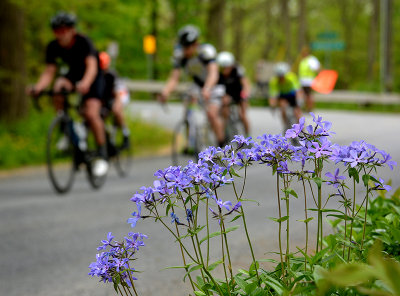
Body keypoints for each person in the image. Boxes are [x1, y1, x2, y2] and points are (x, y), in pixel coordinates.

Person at [29, 12, 108, 177]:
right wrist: (38, 87)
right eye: (57, 31)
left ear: (72, 30)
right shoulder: (53, 46)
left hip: (92, 78)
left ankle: (102, 153)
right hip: (74, 75)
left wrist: (85, 84)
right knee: (58, 86)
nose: (61, 34)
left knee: (91, 113)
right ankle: (65, 125)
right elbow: (49, 72)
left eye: (64, 30)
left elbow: (92, 66)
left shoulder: (83, 42)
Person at [158, 24, 226, 148]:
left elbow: (213, 73)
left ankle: (221, 143)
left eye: (188, 47)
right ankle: (191, 142)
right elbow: (174, 78)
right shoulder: (180, 55)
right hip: (197, 85)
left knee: (212, 114)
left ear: (196, 44)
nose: (186, 50)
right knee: (188, 107)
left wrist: (207, 88)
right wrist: (165, 92)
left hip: (215, 85)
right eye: (184, 47)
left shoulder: (206, 51)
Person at [99, 51, 130, 149]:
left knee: (116, 110)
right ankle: (109, 138)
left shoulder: (111, 75)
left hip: (120, 95)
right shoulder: (97, 75)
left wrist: (117, 104)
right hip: (107, 98)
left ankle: (126, 134)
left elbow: (118, 94)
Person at [216, 51, 251, 137]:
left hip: (239, 93)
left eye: (227, 67)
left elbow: (245, 83)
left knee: (242, 115)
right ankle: (225, 133)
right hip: (228, 94)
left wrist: (246, 93)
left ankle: (248, 136)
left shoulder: (237, 70)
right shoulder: (218, 73)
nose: (225, 70)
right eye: (222, 68)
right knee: (224, 111)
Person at [269, 62, 302, 128]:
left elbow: (298, 90)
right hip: (283, 95)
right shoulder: (274, 81)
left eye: (282, 76)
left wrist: (299, 100)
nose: (281, 78)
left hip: (293, 95)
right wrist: (272, 105)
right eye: (279, 76)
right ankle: (286, 125)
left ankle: (301, 128)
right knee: (282, 108)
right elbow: (272, 96)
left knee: (297, 112)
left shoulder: (291, 77)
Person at [298, 46, 321, 111]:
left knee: (309, 95)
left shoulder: (311, 60)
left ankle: (310, 107)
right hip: (302, 81)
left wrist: (320, 77)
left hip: (309, 81)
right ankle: (306, 107)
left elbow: (317, 69)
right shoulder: (303, 60)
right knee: (304, 95)